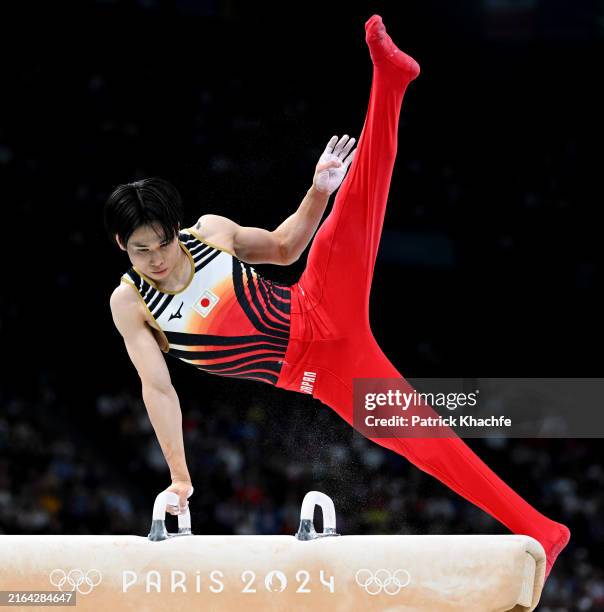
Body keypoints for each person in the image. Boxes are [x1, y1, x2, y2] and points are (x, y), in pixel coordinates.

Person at [104, 14, 569, 578]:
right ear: (121, 247)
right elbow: (159, 389)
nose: (155, 258)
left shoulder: (212, 233)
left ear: (177, 229)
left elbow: (282, 246)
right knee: (428, 442)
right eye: (139, 250)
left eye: (161, 243)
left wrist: (318, 189)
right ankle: (545, 531)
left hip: (320, 302)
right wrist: (179, 476)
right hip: (326, 375)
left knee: (356, 200)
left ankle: (390, 80)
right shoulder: (130, 303)